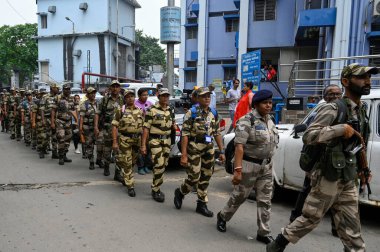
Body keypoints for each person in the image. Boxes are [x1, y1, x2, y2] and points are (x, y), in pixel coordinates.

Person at [267, 63, 377, 252]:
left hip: (348, 176)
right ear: (346, 81)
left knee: (352, 225)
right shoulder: (334, 108)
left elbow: (360, 144)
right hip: (328, 175)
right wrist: (339, 129)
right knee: (311, 217)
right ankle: (278, 244)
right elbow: (309, 135)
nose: (367, 81)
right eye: (361, 77)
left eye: (369, 77)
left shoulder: (361, 110)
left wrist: (364, 169)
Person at [216, 90, 278, 245]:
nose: (268, 105)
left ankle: (264, 232)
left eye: (270, 102)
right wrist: (237, 171)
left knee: (265, 200)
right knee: (240, 196)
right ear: (256, 104)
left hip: (266, 166)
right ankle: (223, 216)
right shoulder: (246, 120)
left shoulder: (270, 120)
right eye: (265, 103)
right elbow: (239, 147)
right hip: (249, 166)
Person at [289, 84, 342, 236]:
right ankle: (295, 217)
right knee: (307, 187)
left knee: (336, 192)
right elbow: (309, 134)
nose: (335, 97)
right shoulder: (321, 111)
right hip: (316, 156)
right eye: (331, 94)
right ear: (325, 97)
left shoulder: (345, 110)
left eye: (338, 94)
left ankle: (336, 226)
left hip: (336, 159)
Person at [173, 87, 225, 217]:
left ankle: (202, 204)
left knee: (206, 176)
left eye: (208, 96)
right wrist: (184, 155)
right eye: (203, 96)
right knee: (194, 177)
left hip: (208, 147)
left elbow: (217, 133)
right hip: (194, 147)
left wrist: (222, 151)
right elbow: (184, 134)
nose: (207, 98)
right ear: (197, 98)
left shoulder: (214, 112)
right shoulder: (192, 113)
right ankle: (180, 192)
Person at [141, 88, 175, 203]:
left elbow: (173, 125)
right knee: (159, 164)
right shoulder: (152, 110)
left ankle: (156, 185)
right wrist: (143, 146)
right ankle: (156, 189)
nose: (165, 98)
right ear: (158, 97)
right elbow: (146, 128)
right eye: (163, 96)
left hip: (167, 141)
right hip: (155, 140)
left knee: (163, 165)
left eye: (167, 96)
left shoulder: (171, 110)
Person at [112, 89, 144, 197]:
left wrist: (144, 143)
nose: (130, 98)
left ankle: (121, 170)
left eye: (132, 96)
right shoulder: (121, 110)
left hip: (136, 141)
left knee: (132, 162)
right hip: (124, 140)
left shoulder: (140, 110)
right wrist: (115, 142)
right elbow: (114, 126)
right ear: (125, 99)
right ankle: (130, 186)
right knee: (127, 162)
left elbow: (144, 127)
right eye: (128, 96)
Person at [95, 80, 124, 177]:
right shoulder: (105, 99)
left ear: (119, 88)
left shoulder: (123, 100)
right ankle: (106, 166)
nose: (115, 88)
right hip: (107, 129)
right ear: (110, 88)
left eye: (117, 86)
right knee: (107, 151)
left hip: (120, 130)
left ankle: (117, 173)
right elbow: (98, 113)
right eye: (113, 86)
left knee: (119, 152)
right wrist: (96, 127)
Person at [51, 83, 78, 165]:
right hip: (60, 122)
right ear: (63, 90)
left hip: (69, 122)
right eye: (66, 89)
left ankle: (65, 154)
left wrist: (77, 120)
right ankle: (61, 157)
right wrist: (52, 122)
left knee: (68, 139)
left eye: (68, 89)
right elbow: (53, 110)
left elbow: (73, 110)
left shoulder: (72, 98)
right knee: (61, 138)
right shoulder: (58, 97)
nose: (67, 90)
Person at [135, 88, 153, 175]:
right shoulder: (135, 104)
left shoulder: (150, 104)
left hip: (149, 130)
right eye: (143, 95)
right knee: (140, 149)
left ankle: (147, 166)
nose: (145, 97)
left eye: (146, 95)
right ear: (139, 96)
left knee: (148, 148)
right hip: (139, 130)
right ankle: (140, 167)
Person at [79, 87, 98, 170]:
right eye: (91, 93)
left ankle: (99, 160)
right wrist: (80, 128)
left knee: (100, 145)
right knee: (89, 145)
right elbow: (82, 117)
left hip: (96, 127)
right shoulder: (85, 104)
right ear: (88, 94)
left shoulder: (98, 103)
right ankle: (91, 161)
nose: (93, 94)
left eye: (94, 93)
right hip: (88, 127)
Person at [31, 89, 48, 158]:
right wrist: (34, 122)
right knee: (41, 136)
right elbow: (34, 112)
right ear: (39, 94)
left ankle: (44, 149)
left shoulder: (48, 101)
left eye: (44, 93)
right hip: (40, 121)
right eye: (42, 94)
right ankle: (41, 151)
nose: (43, 95)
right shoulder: (37, 102)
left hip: (47, 121)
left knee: (47, 137)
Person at [46, 83, 60, 159]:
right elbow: (42, 109)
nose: (57, 89)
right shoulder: (46, 97)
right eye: (56, 88)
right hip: (47, 118)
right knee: (46, 136)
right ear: (52, 88)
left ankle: (54, 153)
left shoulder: (59, 97)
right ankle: (42, 150)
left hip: (56, 119)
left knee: (55, 137)